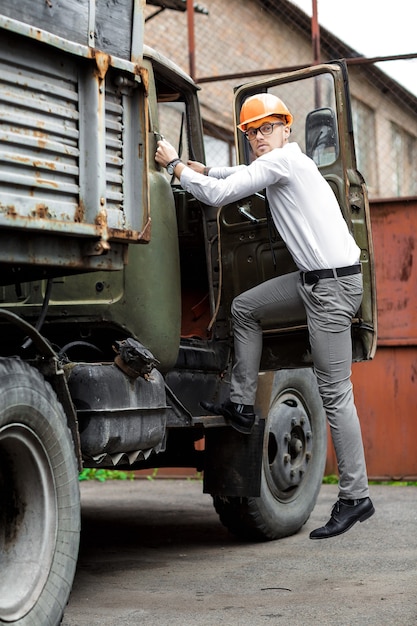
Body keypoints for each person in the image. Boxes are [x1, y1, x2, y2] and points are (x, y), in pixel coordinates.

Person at [155, 93, 374, 540]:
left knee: (334, 395)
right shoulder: (285, 163)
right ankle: (240, 404)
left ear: (286, 129)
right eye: (252, 131)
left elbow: (220, 195)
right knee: (245, 308)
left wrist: (176, 165)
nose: (258, 137)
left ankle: (356, 497)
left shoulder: (285, 163)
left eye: (267, 128)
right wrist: (204, 168)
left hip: (331, 288)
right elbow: (235, 175)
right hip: (313, 281)